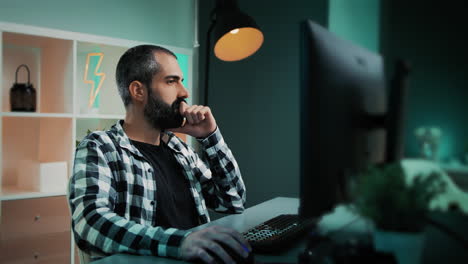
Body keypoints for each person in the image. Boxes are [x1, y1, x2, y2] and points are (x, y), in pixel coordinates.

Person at [68, 45, 251, 263]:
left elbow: (233, 202)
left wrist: (210, 136)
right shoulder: (101, 147)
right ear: (138, 91)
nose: (184, 93)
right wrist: (181, 242)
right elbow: (90, 223)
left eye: (181, 81)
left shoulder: (179, 150)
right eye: (171, 81)